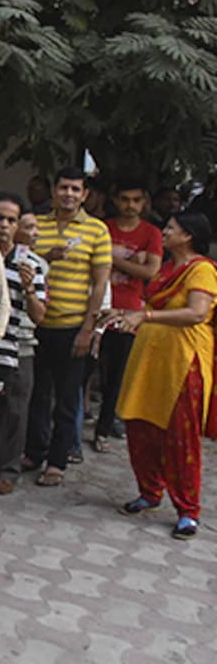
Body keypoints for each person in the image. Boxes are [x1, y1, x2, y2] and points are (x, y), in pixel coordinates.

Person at [100, 213, 217, 540]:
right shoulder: (166, 268)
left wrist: (145, 315)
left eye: (171, 229)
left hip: (183, 363)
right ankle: (150, 492)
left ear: (188, 236)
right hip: (150, 359)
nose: (163, 232)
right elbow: (146, 309)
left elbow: (197, 313)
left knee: (181, 436)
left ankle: (187, 511)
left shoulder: (202, 270)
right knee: (140, 428)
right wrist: (122, 314)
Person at [24, 167, 112, 487]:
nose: (69, 194)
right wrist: (48, 255)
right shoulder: (37, 225)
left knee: (66, 396)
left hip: (73, 325)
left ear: (85, 194)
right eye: (64, 188)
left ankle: (57, 461)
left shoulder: (97, 231)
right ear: (54, 191)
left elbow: (100, 284)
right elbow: (25, 264)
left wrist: (88, 329)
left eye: (76, 189)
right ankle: (34, 450)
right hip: (35, 322)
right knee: (36, 391)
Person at [0, 193, 47, 518]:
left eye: (11, 220)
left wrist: (29, 289)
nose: (4, 225)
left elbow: (40, 315)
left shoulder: (31, 265)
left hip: (3, 355)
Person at [95, 182, 163, 452]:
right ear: (115, 199)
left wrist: (109, 261)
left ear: (144, 202)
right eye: (125, 199)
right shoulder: (103, 227)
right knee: (88, 371)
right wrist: (133, 263)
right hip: (98, 306)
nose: (130, 205)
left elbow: (150, 272)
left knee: (116, 375)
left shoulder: (151, 233)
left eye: (136, 200)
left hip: (129, 312)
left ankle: (104, 427)